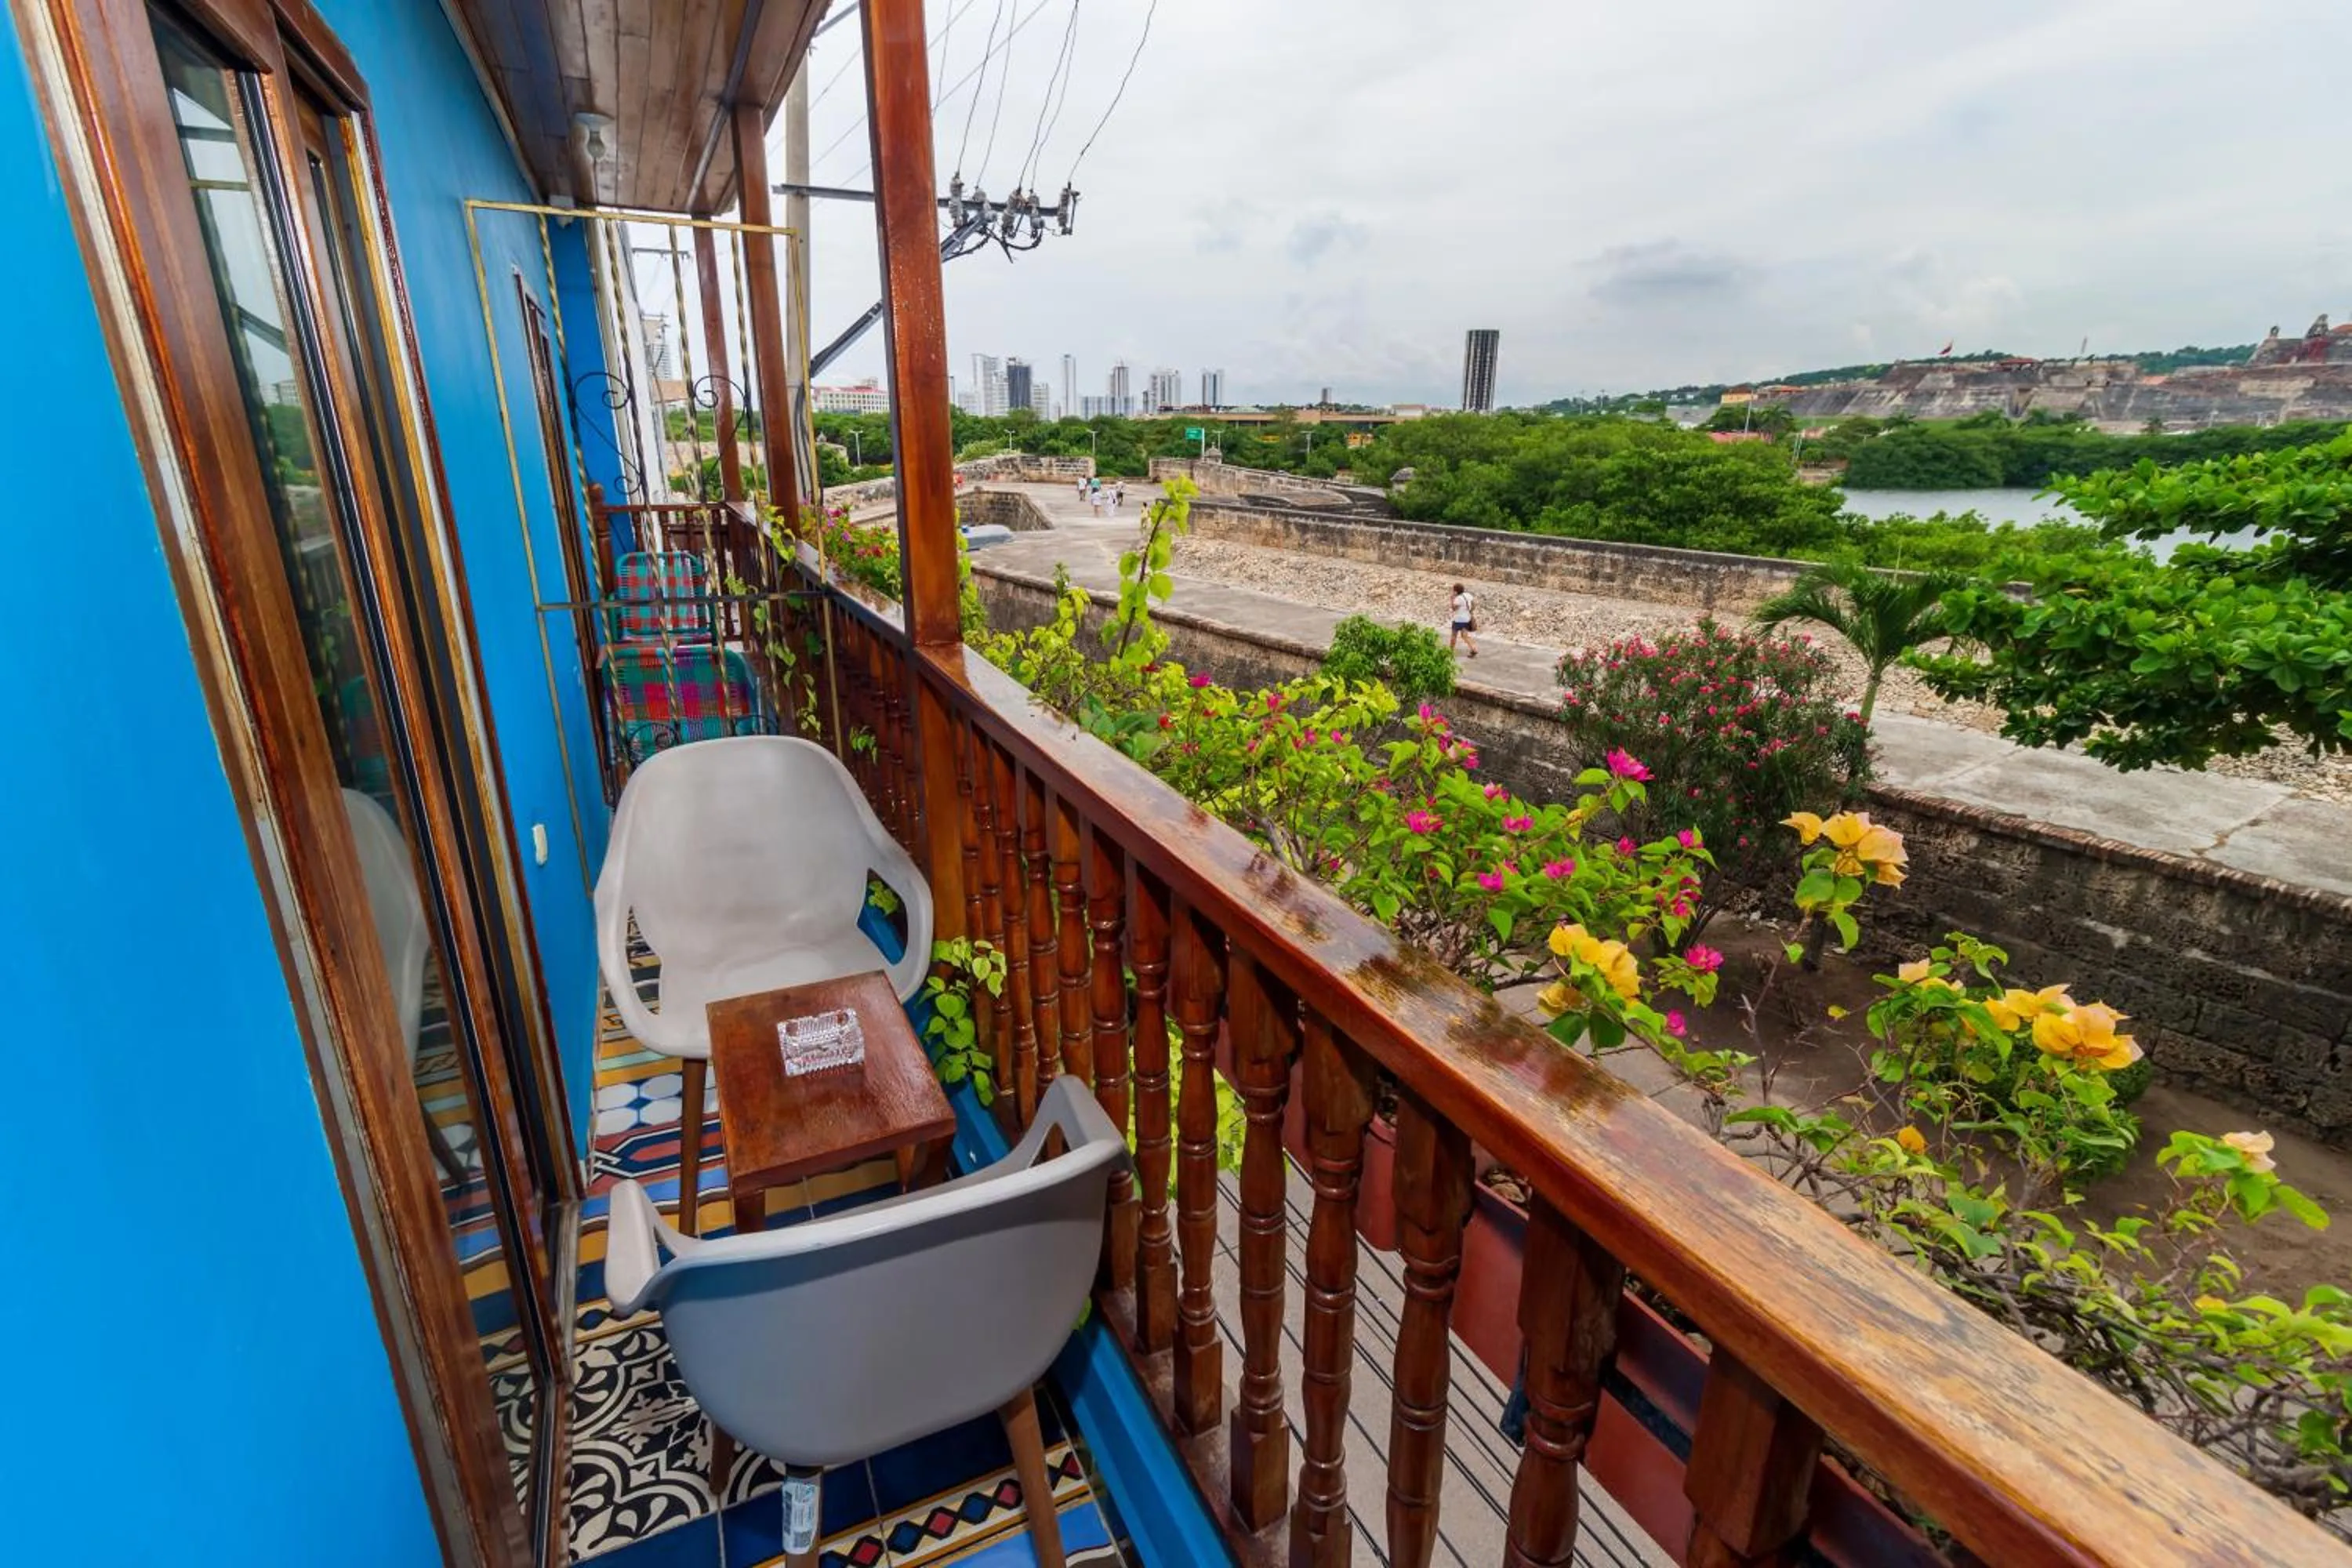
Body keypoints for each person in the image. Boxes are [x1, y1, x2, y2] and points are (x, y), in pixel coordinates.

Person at [1448, 582, 1478, 658]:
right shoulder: (1468, 595)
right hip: (1467, 619)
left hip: (1458, 620)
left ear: (1456, 591)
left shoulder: (1458, 599)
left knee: (1454, 635)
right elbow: (1474, 604)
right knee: (1465, 636)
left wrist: (1452, 599)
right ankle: (1473, 649)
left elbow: (1454, 608)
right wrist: (1470, 611)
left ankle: (1450, 652)